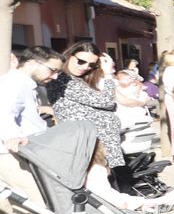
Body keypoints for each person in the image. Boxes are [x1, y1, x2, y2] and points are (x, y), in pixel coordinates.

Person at [0, 47, 60, 214]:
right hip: (11, 154)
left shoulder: (24, 84)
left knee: (26, 210)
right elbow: (4, 109)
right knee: (35, 206)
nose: (54, 76)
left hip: (16, 153)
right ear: (33, 63)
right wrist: (11, 137)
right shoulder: (15, 83)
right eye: (52, 70)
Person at [48, 43, 129, 188]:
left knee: (107, 184)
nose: (85, 67)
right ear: (69, 56)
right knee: (101, 185)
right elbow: (106, 102)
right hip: (85, 143)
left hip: (95, 143)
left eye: (91, 64)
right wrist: (109, 74)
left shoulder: (77, 80)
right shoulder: (63, 80)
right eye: (81, 61)